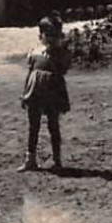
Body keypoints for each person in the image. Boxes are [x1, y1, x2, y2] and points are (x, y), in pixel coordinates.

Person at [19, 12, 71, 173]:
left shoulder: (60, 53)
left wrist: (57, 51)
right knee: (33, 125)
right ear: (40, 35)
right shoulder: (35, 52)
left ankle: (57, 160)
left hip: (53, 90)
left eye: (54, 35)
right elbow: (30, 72)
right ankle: (30, 159)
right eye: (47, 34)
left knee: (53, 125)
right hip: (35, 91)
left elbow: (63, 69)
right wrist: (25, 93)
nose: (50, 38)